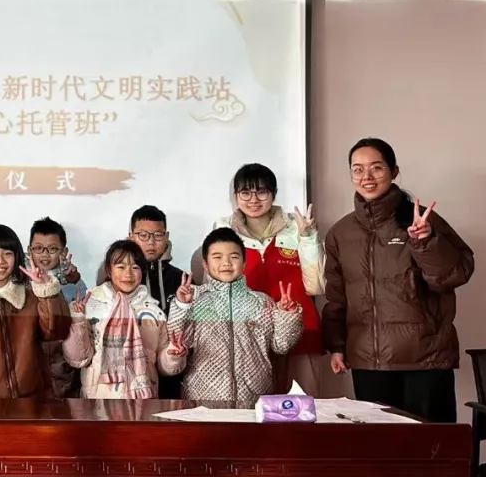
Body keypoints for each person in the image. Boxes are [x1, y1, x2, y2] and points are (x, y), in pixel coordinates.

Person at [322, 138, 474, 423]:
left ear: (394, 171)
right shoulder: (340, 233)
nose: (367, 177)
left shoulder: (421, 221)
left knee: (431, 444)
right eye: (358, 169)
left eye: (377, 167)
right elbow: (337, 296)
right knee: (381, 446)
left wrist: (425, 242)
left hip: (426, 359)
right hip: (368, 362)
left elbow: (453, 275)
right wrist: (337, 346)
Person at [213, 163, 324, 395]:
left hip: (301, 332)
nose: (253, 199)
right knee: (252, 408)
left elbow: (316, 287)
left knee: (302, 408)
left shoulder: (297, 226)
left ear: (274, 194)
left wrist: (308, 238)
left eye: (262, 191)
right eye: (245, 192)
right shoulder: (223, 229)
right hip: (248, 337)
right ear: (235, 196)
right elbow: (216, 290)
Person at [169, 227, 303, 405]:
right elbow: (179, 340)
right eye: (217, 257)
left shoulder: (262, 302)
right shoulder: (194, 298)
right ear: (205, 265)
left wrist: (288, 315)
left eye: (234, 257)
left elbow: (281, 345)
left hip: (254, 399)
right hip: (202, 399)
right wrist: (182, 305)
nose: (226, 263)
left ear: (244, 263)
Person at [0, 224, 71, 398]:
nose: (0, 260)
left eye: (7, 253)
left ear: (17, 257)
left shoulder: (31, 296)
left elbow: (57, 331)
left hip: (34, 398)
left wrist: (46, 290)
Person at [64, 240, 184, 399]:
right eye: (121, 267)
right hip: (98, 401)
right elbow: (78, 359)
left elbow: (163, 367)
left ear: (142, 272)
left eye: (135, 267)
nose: (128, 274)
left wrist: (173, 355)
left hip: (143, 401)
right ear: (108, 270)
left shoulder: (154, 312)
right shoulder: (90, 306)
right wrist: (78, 320)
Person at [96, 205, 187, 398]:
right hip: (117, 383)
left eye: (158, 235)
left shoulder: (181, 280)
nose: (151, 242)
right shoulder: (113, 279)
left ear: (167, 236)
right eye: (143, 235)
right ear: (131, 236)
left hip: (170, 373)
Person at [27, 217, 86, 397]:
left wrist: (73, 281)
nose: (45, 255)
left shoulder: (74, 283)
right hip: (32, 367)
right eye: (38, 248)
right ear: (29, 250)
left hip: (67, 366)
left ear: (64, 252)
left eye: (52, 249)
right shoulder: (21, 283)